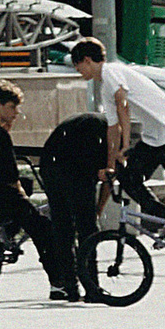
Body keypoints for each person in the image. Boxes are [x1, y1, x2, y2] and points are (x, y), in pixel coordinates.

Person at [72, 33, 165, 269]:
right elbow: (113, 128)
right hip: (154, 139)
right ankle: (163, 220)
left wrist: (125, 146)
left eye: (78, 65)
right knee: (128, 176)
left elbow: (123, 106)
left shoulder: (111, 71)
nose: (78, 71)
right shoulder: (104, 87)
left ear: (87, 60)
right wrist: (112, 162)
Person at [0, 84, 76, 298]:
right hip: (1, 195)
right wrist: (21, 195)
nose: (17, 112)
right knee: (42, 228)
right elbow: (10, 175)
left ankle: (8, 230)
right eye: (12, 107)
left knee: (25, 189)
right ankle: (58, 284)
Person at [37, 93, 115, 299]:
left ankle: (69, 287)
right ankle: (92, 288)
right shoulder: (115, 134)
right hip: (75, 168)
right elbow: (109, 178)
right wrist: (97, 211)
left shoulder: (97, 122)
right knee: (87, 230)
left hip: (50, 163)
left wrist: (96, 209)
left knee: (62, 228)